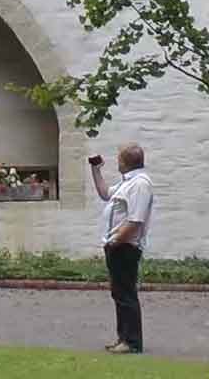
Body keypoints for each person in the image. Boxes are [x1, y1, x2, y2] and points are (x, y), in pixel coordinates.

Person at [91, 143, 154, 355]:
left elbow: (135, 220)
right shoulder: (127, 183)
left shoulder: (140, 184)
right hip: (117, 245)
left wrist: (115, 241)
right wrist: (96, 170)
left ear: (126, 162)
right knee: (119, 293)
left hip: (125, 247)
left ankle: (132, 342)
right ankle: (123, 338)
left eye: (119, 158)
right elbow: (105, 194)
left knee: (126, 294)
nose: (117, 161)